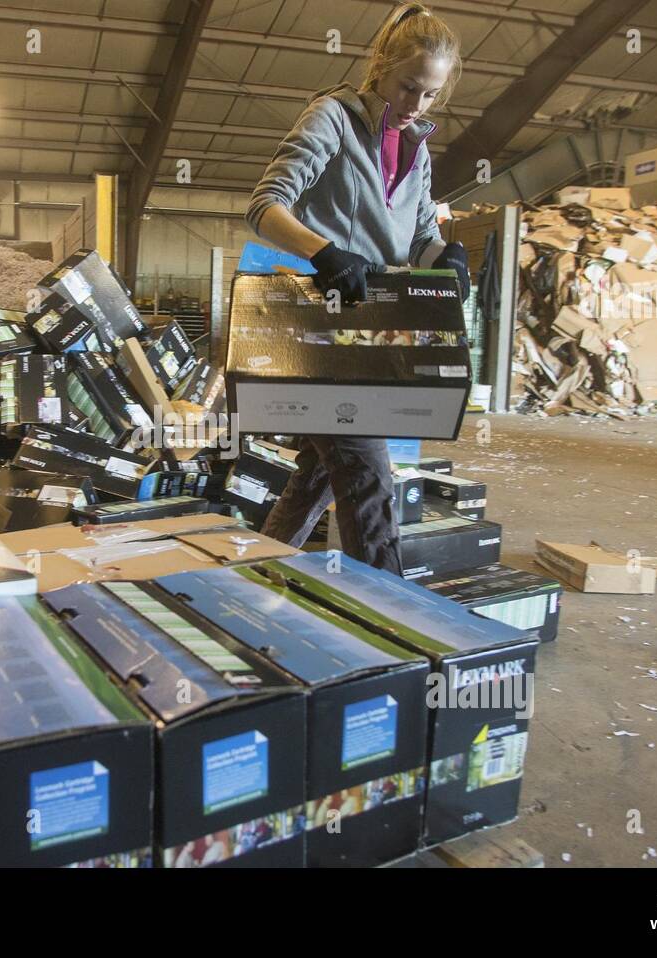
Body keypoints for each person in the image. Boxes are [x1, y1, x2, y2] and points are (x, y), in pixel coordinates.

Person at [245, 1, 469, 575]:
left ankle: (254, 573)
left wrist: (450, 256)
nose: (415, 105)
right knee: (369, 479)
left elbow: (419, 237)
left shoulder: (416, 144)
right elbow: (265, 208)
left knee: (323, 473)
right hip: (324, 333)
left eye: (429, 95)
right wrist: (324, 251)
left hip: (377, 334)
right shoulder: (333, 118)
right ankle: (398, 618)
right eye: (407, 87)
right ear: (382, 68)